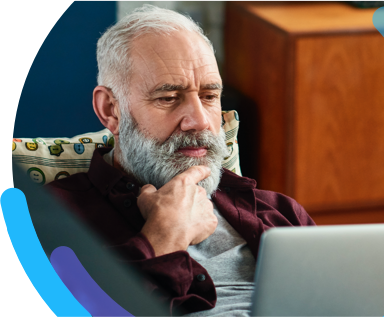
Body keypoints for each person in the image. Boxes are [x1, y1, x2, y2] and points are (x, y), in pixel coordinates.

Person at [45, 4, 315, 316]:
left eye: (210, 96)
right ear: (110, 110)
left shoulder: (279, 213)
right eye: (168, 98)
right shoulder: (49, 216)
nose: (199, 121)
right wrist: (163, 239)